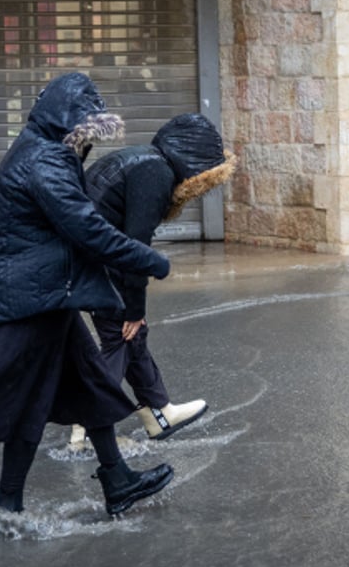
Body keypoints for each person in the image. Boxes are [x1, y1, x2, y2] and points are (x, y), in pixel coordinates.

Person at [0, 72, 174, 517]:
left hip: (44, 290)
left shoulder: (43, 150)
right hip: (27, 295)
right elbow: (86, 229)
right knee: (29, 397)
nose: (88, 140)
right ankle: (10, 496)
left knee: (88, 383)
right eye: (85, 128)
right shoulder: (45, 161)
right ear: (67, 121)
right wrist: (148, 259)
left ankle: (116, 480)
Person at [67, 113, 236, 451]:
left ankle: (159, 412)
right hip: (95, 259)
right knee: (121, 335)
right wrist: (134, 307)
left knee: (130, 336)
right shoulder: (155, 173)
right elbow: (135, 247)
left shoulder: (145, 160)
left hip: (86, 254)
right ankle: (87, 426)